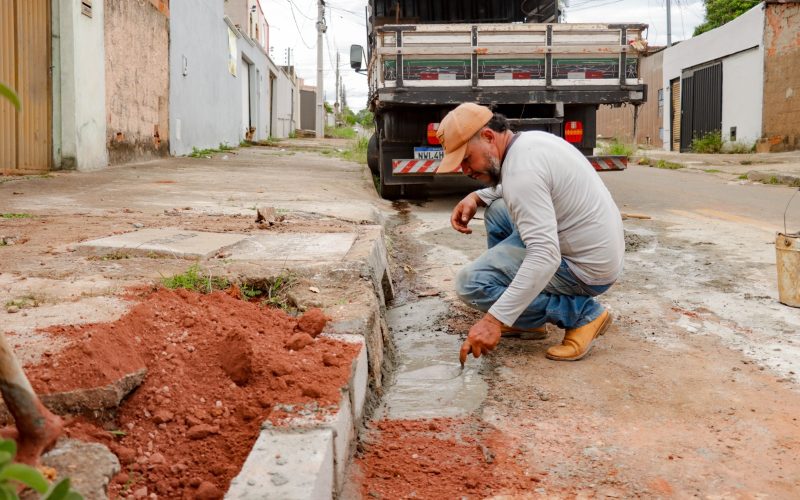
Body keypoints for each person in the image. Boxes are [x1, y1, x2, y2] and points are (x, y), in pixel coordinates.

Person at [434, 103, 624, 364]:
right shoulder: (530, 143)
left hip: (584, 269)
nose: (465, 170)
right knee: (499, 211)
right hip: (595, 249)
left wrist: (494, 319)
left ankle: (583, 315)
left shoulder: (521, 173)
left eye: (466, 158)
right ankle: (527, 321)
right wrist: (477, 196)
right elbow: (525, 184)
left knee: (472, 283)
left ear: (489, 137)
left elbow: (544, 255)